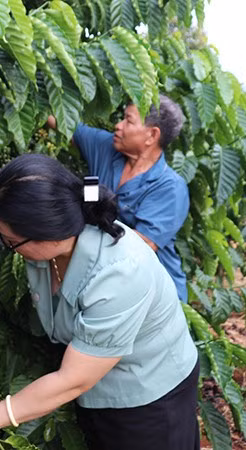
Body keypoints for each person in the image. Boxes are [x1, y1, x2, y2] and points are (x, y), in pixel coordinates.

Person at [0, 154, 200, 449]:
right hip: (91, 381)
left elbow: (74, 380)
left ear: (48, 237)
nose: (1, 240)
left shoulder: (121, 275)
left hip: (148, 397)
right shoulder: (42, 229)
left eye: (9, 240)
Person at [47, 95, 190, 301]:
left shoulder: (170, 188)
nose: (118, 125)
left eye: (128, 120)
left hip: (153, 295)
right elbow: (62, 123)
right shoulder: (107, 148)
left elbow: (141, 246)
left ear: (152, 135)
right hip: (102, 281)